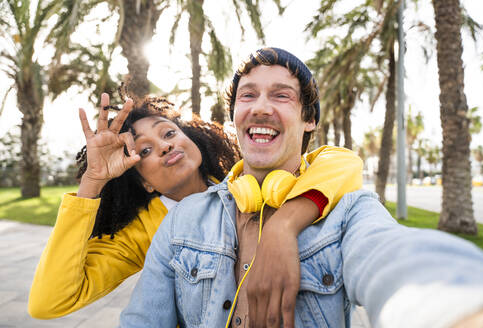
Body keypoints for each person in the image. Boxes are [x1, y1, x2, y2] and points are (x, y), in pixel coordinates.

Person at [119, 47, 483, 328]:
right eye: (248, 95)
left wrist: (458, 306)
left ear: (309, 119)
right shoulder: (183, 220)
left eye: (281, 95)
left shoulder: (349, 213)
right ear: (234, 117)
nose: (260, 107)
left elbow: (394, 259)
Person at [28, 89, 363, 318]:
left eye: (168, 133)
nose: (162, 146)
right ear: (143, 181)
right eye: (143, 151)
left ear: (192, 139)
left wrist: (286, 221)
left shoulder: (247, 182)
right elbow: (48, 302)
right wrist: (92, 182)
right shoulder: (139, 236)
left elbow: (342, 162)